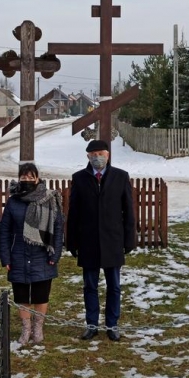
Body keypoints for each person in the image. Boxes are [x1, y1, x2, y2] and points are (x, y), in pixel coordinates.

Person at [66, 139, 136, 341]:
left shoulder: (120, 177)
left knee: (114, 286)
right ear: (88, 156)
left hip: (113, 240)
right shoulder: (79, 178)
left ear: (108, 155)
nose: (98, 158)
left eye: (101, 154)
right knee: (90, 286)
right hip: (88, 241)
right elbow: (74, 212)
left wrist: (129, 239)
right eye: (93, 154)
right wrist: (72, 241)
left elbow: (128, 211)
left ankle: (112, 324)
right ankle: (91, 324)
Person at [0, 162, 63, 346]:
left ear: (37, 178)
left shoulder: (49, 198)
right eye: (23, 177)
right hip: (18, 253)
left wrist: (55, 254)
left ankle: (38, 328)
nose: (27, 180)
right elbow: (5, 231)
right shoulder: (13, 201)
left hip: (42, 255)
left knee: (41, 295)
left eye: (30, 176)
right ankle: (26, 328)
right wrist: (6, 257)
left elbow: (58, 229)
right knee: (21, 296)